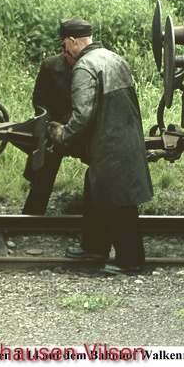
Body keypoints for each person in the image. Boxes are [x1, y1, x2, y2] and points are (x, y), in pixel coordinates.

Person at [47, 18, 154, 275]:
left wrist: (64, 134)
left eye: (65, 44)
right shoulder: (114, 58)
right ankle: (94, 245)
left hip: (110, 141)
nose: (64, 51)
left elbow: (83, 114)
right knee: (95, 185)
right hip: (126, 135)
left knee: (119, 200)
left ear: (73, 41)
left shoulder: (85, 67)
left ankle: (131, 262)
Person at [21, 51, 84, 215]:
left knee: (100, 167)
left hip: (79, 127)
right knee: (43, 171)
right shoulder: (50, 65)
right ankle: (33, 215)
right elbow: (39, 99)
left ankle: (95, 212)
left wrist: (71, 122)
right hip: (52, 127)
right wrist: (47, 124)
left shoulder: (88, 65)